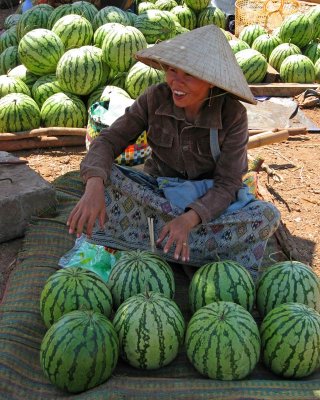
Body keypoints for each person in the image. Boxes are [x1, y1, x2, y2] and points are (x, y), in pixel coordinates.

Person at [67, 24, 280, 280]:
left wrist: (189, 219)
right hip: (158, 197)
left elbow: (227, 184)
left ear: (211, 82)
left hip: (209, 205)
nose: (175, 82)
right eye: (171, 70)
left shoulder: (232, 115)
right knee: (102, 177)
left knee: (266, 216)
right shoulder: (154, 99)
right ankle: (184, 245)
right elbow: (109, 140)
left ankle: (161, 239)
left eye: (188, 75)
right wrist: (94, 186)